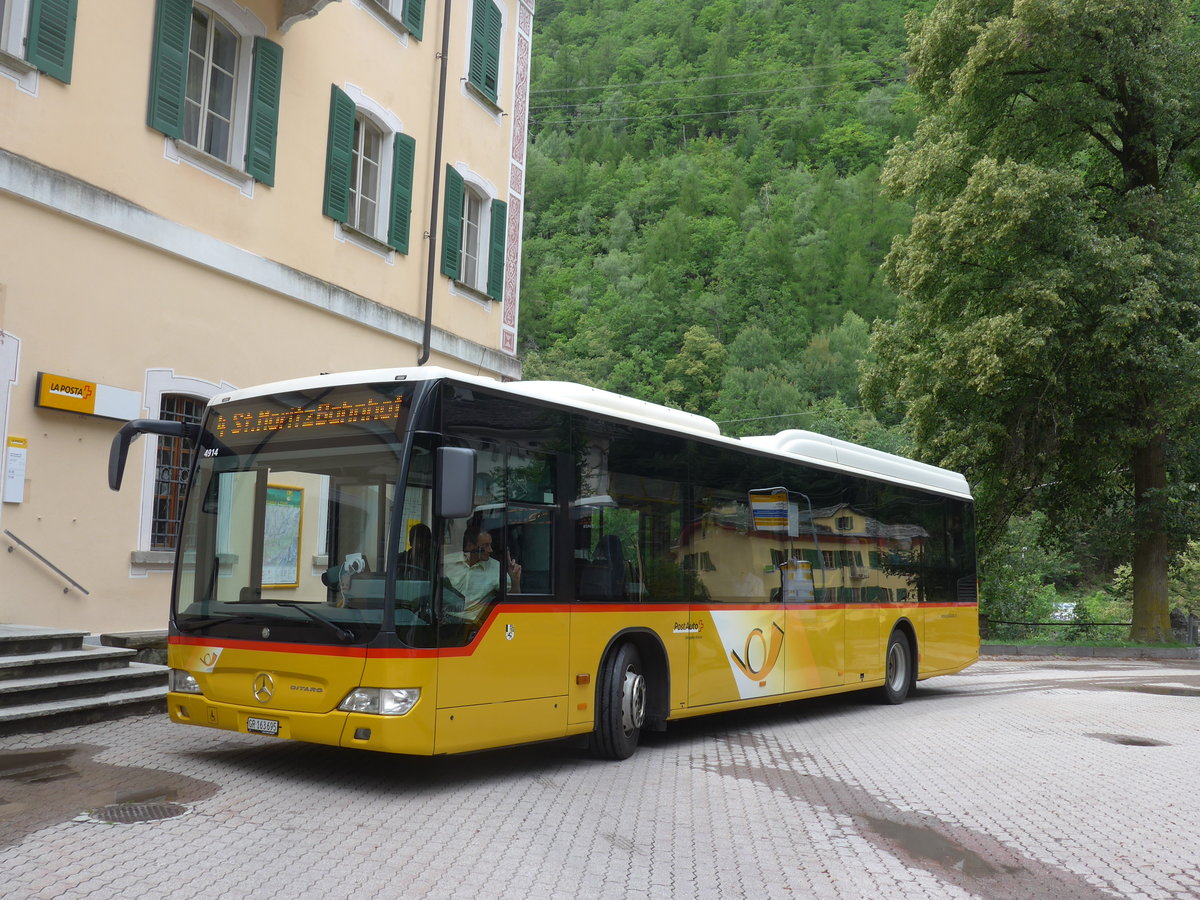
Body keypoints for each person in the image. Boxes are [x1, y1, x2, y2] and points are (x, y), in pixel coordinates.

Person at [442, 525, 521, 621]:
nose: (490, 550)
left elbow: (513, 601)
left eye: (490, 545)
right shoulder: (447, 562)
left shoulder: (496, 568)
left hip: (473, 625)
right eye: (486, 546)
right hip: (444, 620)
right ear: (470, 546)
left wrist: (515, 580)